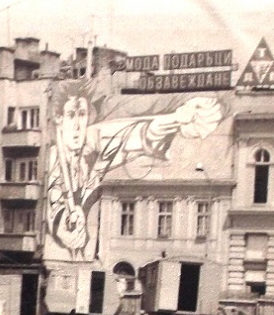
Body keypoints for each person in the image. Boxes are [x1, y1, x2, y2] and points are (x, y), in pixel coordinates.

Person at [46, 80, 226, 261]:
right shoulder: (57, 156)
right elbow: (55, 199)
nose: (78, 125)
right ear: (59, 119)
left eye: (82, 114)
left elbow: (137, 131)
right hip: (66, 255)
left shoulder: (93, 141)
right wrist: (62, 227)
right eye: (71, 115)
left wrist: (179, 118)